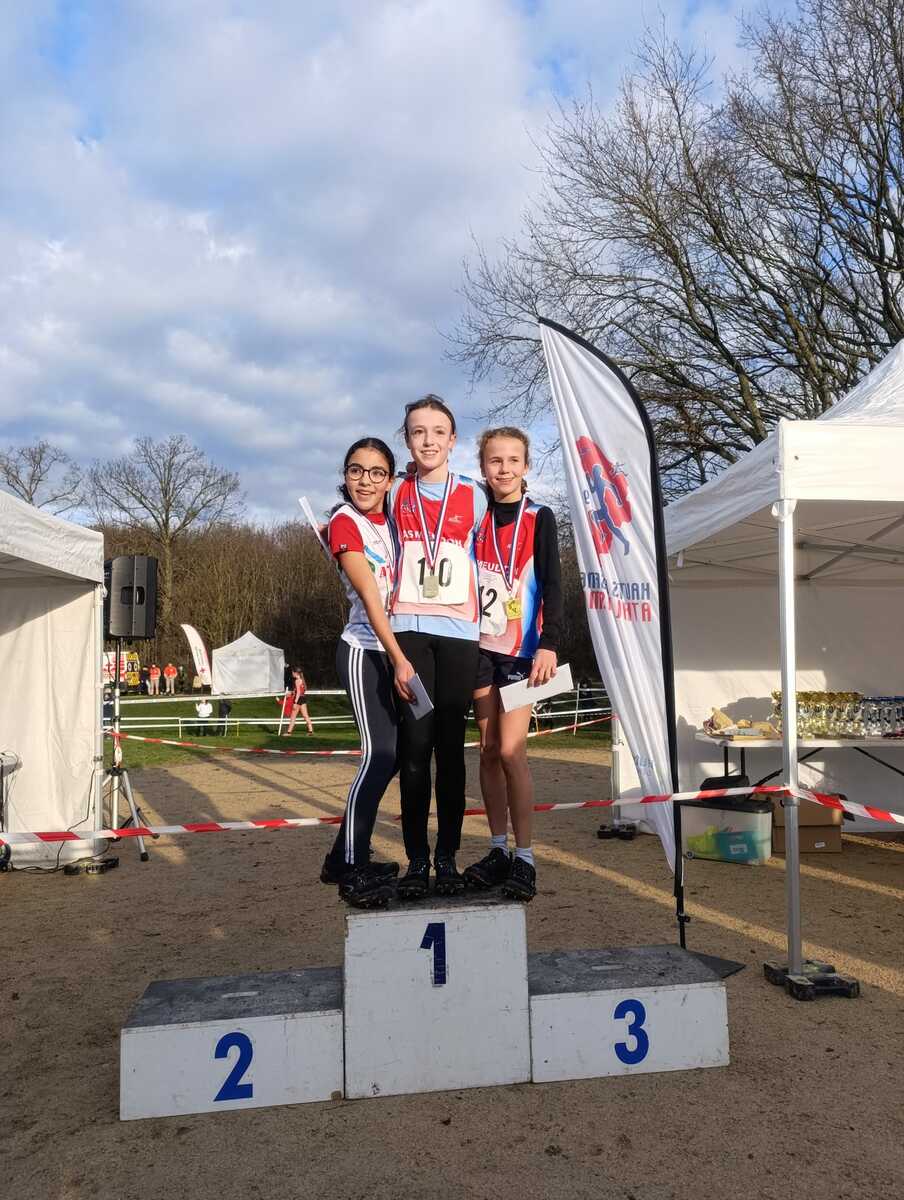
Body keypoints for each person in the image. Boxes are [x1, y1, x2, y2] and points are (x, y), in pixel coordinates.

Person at [389, 394, 487, 899]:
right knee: (414, 746)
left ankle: (447, 856)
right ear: (407, 439)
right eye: (417, 431)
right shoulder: (393, 492)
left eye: (437, 432)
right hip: (408, 630)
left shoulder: (475, 495)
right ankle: (416, 859)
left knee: (450, 749)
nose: (427, 440)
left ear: (452, 440)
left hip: (459, 634)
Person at [462, 428, 561, 902]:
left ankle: (525, 857)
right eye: (494, 460)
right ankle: (498, 849)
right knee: (486, 750)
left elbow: (554, 585)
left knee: (509, 751)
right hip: (480, 648)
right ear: (483, 466)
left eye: (512, 460)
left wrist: (550, 644)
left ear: (526, 466)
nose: (503, 469)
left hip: (524, 650)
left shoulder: (540, 517)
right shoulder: (473, 515)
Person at [320, 437, 416, 907]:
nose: (365, 481)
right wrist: (398, 657)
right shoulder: (345, 520)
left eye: (377, 472)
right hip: (365, 650)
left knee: (394, 757)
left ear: (389, 480)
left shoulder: (395, 522)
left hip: (395, 651)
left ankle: (341, 857)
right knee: (379, 754)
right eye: (356, 470)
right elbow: (372, 599)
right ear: (345, 475)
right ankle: (353, 870)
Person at [285, 668, 315, 735]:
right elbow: (300, 691)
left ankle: (289, 732)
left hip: (298, 699)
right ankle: (311, 731)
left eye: (293, 672)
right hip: (303, 698)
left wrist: (295, 702)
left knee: (293, 717)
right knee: (305, 715)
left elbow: (298, 693)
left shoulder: (297, 681)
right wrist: (292, 693)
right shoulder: (302, 680)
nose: (292, 674)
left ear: (296, 673)